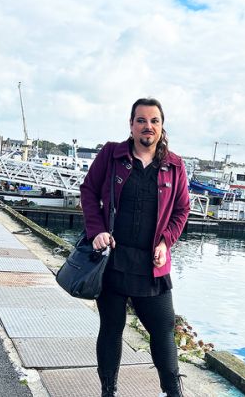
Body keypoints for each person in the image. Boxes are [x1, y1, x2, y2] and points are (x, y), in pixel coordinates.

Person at [80, 97, 190, 397]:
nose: (147, 126)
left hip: (151, 265)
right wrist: (97, 231)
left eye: (154, 121)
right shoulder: (111, 154)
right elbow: (88, 191)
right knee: (111, 328)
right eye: (141, 120)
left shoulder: (174, 165)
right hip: (112, 261)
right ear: (131, 125)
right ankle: (108, 391)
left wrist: (166, 242)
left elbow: (182, 210)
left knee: (163, 329)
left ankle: (173, 393)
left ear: (162, 126)